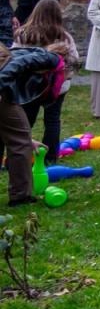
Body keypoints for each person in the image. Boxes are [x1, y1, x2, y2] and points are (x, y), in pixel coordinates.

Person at [15, 0, 78, 160]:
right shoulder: (64, 37)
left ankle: (19, 153)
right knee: (52, 119)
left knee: (26, 120)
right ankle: (50, 156)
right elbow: (74, 61)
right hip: (56, 87)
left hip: (30, 86)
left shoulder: (24, 35)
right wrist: (64, 78)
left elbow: (14, 58)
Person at [2, 44, 60, 206]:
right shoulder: (51, 59)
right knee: (19, 143)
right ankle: (21, 196)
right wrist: (23, 139)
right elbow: (16, 65)